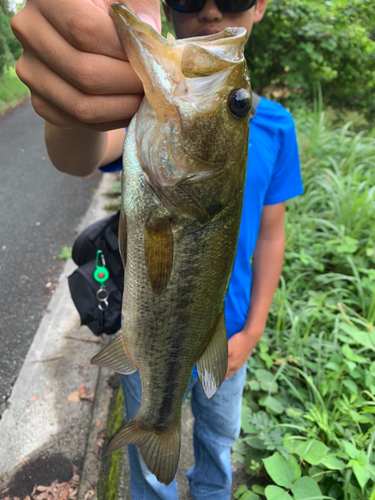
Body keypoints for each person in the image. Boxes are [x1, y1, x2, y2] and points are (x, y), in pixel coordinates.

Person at [12, 0, 303, 498]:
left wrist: (252, 332)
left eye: (237, 104)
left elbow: (272, 235)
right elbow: (79, 154)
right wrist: (73, 107)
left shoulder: (277, 127)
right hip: (148, 340)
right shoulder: (141, 114)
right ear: (168, 8)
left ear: (259, 7)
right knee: (149, 473)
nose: (210, 12)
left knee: (219, 442)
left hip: (228, 338)